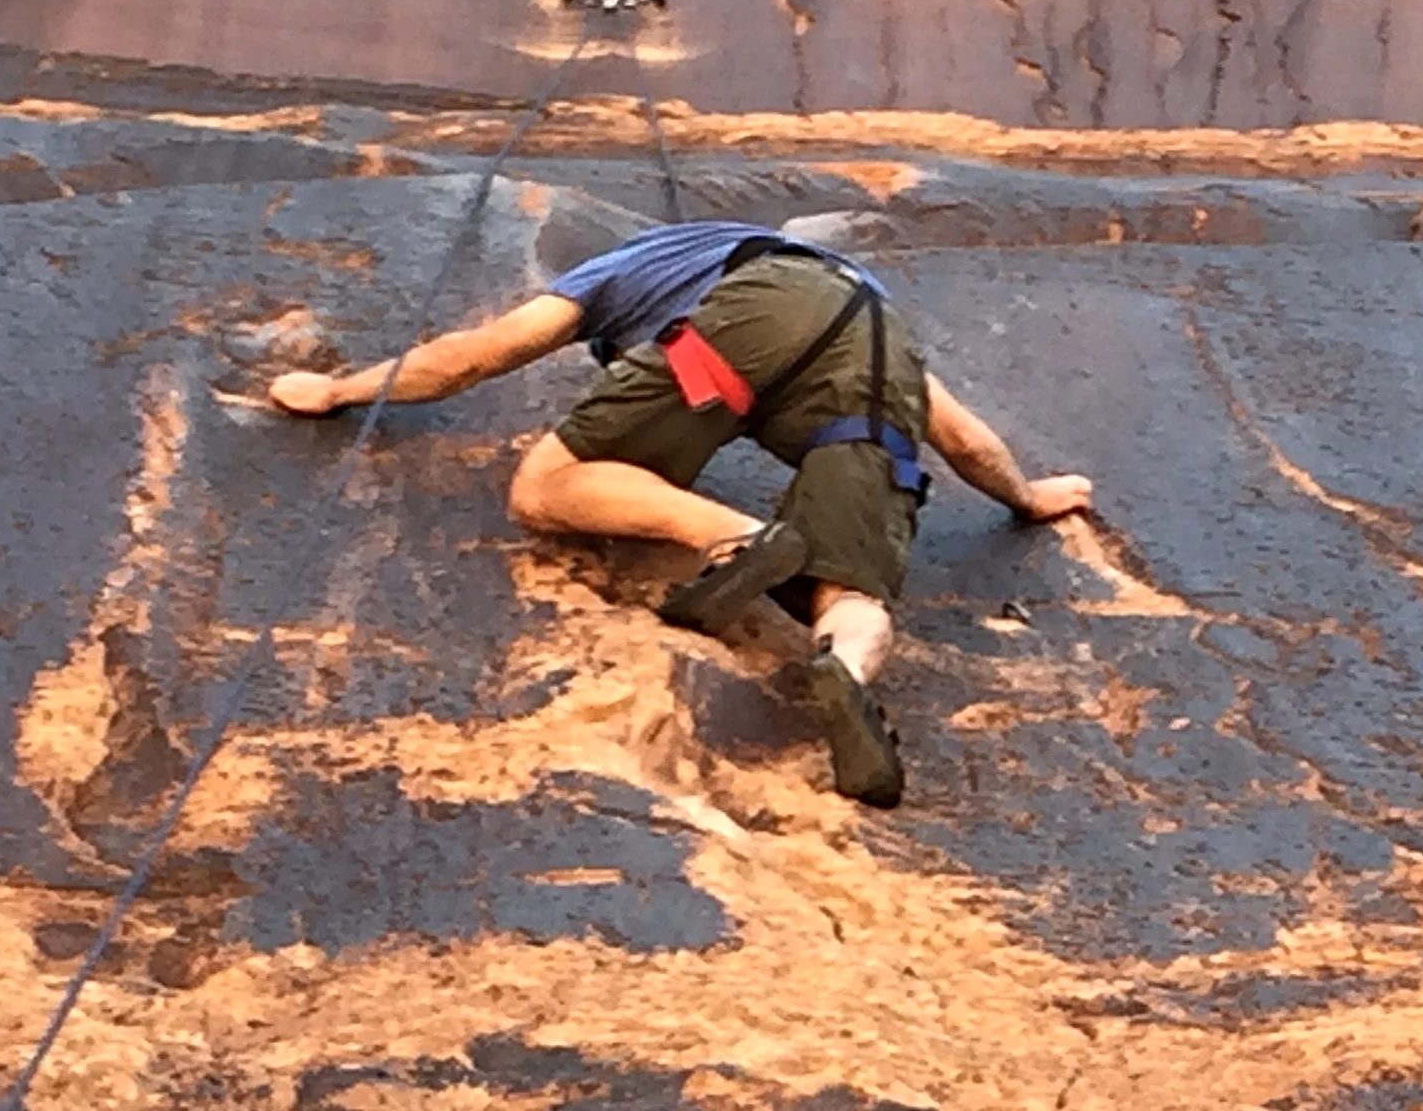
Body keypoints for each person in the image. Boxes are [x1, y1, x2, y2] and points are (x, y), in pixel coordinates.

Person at [267, 220, 1093, 806]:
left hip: (743, 326)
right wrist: (1025, 497)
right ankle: (843, 667)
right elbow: (960, 434)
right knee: (850, 589)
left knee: (549, 483)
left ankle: (735, 537)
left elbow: (483, 352)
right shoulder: (853, 295)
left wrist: (341, 390)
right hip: (877, 340)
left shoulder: (622, 267)